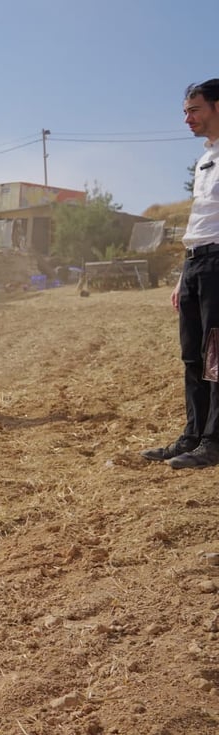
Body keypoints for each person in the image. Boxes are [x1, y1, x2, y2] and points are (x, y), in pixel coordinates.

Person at [141, 79, 219, 469]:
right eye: (185, 111)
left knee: (217, 353)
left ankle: (214, 441)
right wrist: (182, 273)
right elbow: (199, 218)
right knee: (192, 355)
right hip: (195, 262)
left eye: (195, 110)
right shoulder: (206, 158)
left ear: (218, 107)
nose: (187, 119)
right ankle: (192, 434)